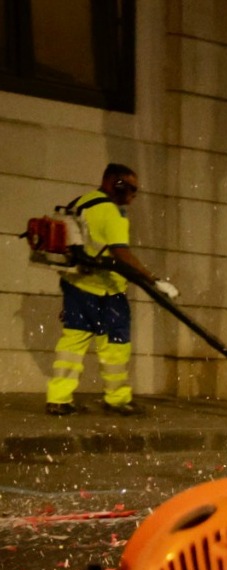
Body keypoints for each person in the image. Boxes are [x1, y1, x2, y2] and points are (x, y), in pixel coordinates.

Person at [45, 163, 177, 417]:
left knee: (71, 345)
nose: (133, 196)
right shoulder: (111, 212)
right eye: (132, 189)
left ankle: (58, 398)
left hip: (77, 286)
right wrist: (153, 280)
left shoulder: (83, 201)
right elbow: (121, 253)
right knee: (115, 347)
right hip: (107, 291)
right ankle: (117, 399)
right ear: (116, 184)